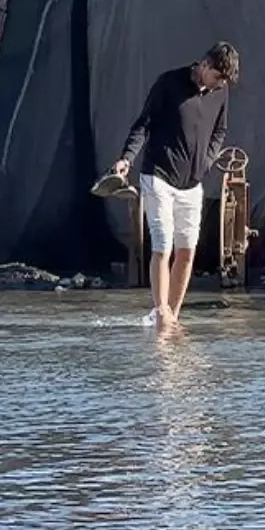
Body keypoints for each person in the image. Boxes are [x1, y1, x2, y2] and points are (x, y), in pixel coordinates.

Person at [112, 41, 239, 330]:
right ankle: (160, 313)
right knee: (163, 245)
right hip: (158, 176)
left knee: (187, 251)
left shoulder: (221, 92)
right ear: (205, 66)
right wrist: (126, 159)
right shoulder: (169, 83)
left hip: (191, 184)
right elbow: (143, 124)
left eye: (224, 81)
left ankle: (173, 315)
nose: (220, 84)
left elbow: (220, 129)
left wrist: (207, 161)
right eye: (218, 76)